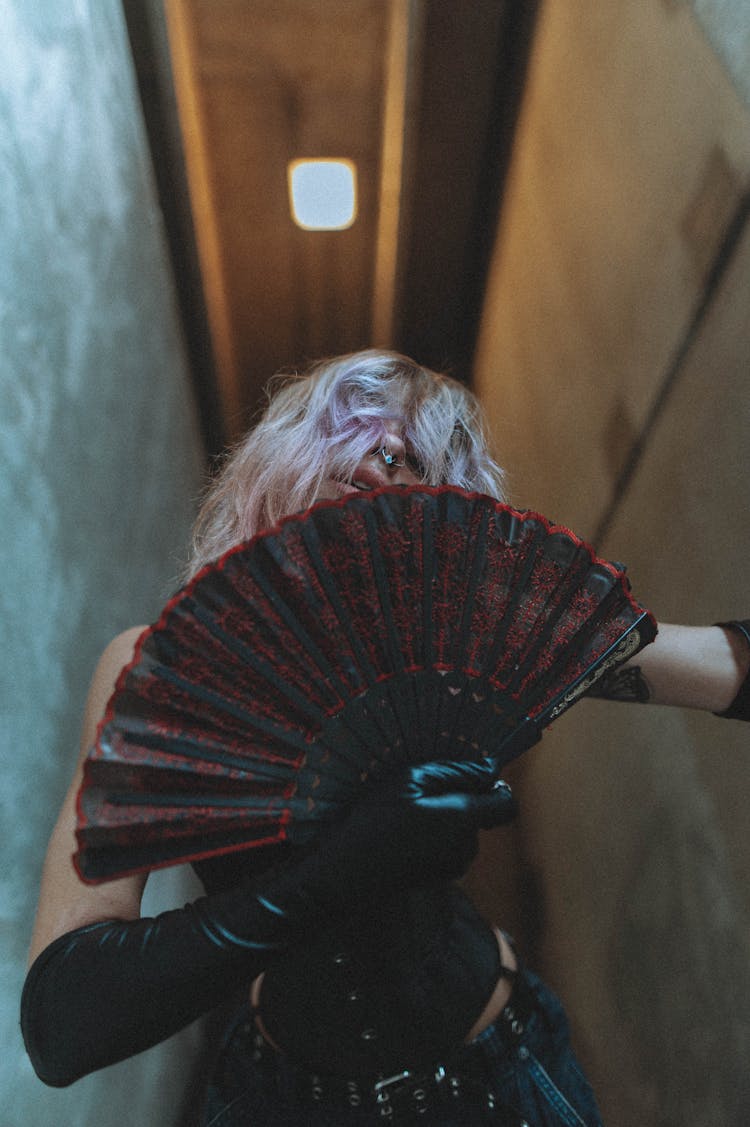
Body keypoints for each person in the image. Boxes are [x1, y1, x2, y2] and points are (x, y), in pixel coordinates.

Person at [21, 351, 750, 1125]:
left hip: (501, 1078)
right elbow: (62, 1021)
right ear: (284, 457)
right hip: (283, 1101)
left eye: (422, 457)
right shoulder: (162, 674)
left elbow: (721, 665)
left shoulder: (475, 641)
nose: (388, 456)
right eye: (357, 426)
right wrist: (330, 877)